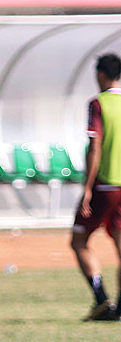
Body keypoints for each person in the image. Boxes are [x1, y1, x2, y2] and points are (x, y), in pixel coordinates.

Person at [71, 53, 121, 321]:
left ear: (100, 74)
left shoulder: (99, 104)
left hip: (105, 185)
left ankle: (102, 299)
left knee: (78, 241)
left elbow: (95, 146)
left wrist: (87, 188)